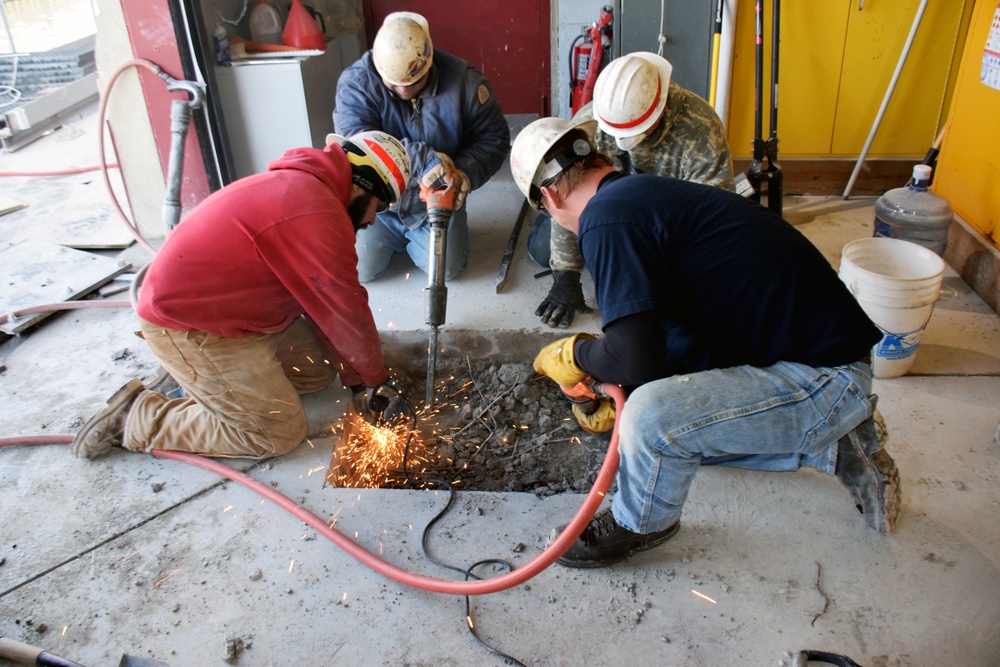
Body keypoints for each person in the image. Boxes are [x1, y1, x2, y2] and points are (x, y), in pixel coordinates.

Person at [510, 117, 900, 568]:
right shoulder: (637, 196)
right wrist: (612, 380)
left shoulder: (604, 219)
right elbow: (658, 346)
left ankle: (641, 523)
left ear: (550, 196)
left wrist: (575, 355)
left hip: (825, 378)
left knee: (652, 421)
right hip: (808, 358)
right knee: (661, 443)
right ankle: (836, 442)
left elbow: (634, 359)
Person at [71, 131, 412, 460]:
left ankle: (214, 391)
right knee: (277, 433)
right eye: (378, 208)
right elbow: (344, 311)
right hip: (193, 328)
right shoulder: (318, 213)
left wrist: (357, 380)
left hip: (243, 318)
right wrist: (376, 380)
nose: (371, 220)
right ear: (363, 186)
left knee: (320, 370)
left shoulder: (308, 188)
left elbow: (324, 308)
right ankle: (135, 418)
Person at [528, 52, 741, 329]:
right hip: (606, 214)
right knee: (543, 249)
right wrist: (566, 275)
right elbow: (567, 197)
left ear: (660, 108)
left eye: (635, 133)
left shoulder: (700, 129)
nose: (623, 142)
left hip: (665, 224)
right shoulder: (591, 122)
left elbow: (714, 217)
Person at [333, 11, 511, 282]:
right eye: (394, 85)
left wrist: (463, 173)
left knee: (448, 271)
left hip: (436, 197)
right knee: (360, 271)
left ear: (429, 63)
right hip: (379, 202)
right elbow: (359, 141)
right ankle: (396, 236)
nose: (404, 91)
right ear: (379, 68)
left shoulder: (465, 82)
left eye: (414, 82)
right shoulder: (357, 83)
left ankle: (425, 235)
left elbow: (494, 139)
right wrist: (422, 160)